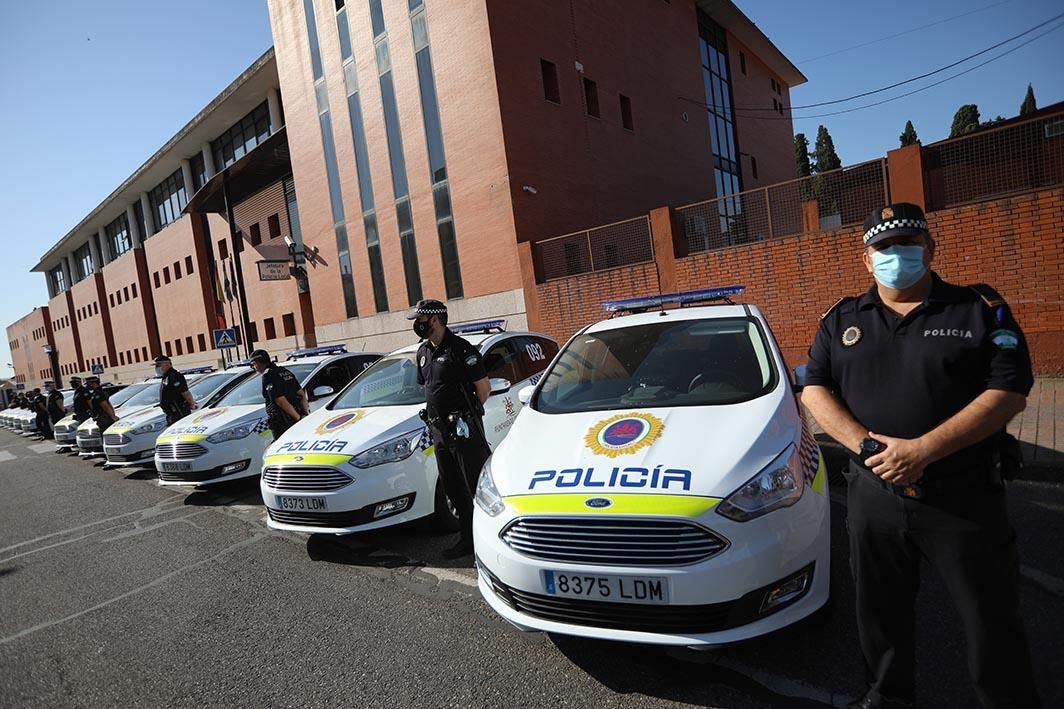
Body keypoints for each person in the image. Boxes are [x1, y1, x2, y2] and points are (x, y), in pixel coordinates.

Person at [802, 203, 1040, 709]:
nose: (895, 256)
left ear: (930, 250)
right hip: (874, 497)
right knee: (879, 613)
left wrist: (924, 450)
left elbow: (1010, 390)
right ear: (866, 259)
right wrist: (868, 446)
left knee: (989, 617)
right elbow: (815, 389)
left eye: (907, 245)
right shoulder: (841, 318)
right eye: (883, 248)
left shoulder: (978, 309)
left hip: (961, 496)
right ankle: (888, 696)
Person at [409, 299, 491, 559]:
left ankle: (488, 541)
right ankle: (467, 540)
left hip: (463, 430)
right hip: (439, 432)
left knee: (475, 486)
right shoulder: (423, 352)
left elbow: (484, 389)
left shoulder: (460, 349)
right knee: (453, 487)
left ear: (434, 319)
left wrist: (465, 415)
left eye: (420, 319)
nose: (416, 324)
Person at [250, 349, 307, 440]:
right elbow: (301, 393)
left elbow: (280, 401)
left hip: (283, 421)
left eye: (253, 364)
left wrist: (298, 418)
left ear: (258, 362)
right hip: (297, 415)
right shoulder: (285, 371)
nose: (253, 367)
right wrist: (304, 414)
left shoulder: (268, 375)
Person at [154, 355, 197, 425]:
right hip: (171, 413)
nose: (156, 368)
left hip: (178, 411)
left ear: (167, 364)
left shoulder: (174, 376)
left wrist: (191, 403)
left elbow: (185, 392)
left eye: (158, 365)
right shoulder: (166, 376)